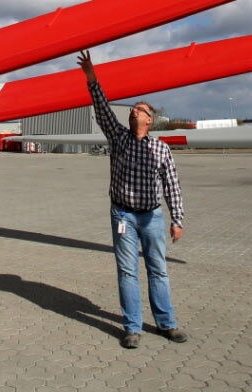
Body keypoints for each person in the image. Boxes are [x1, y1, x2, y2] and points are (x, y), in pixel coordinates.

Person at [77, 49, 188, 349]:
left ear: (150, 120)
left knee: (158, 269)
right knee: (127, 271)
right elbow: (101, 109)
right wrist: (92, 78)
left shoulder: (161, 149)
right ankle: (132, 328)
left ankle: (167, 324)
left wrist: (177, 221)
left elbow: (172, 185)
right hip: (123, 215)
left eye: (139, 109)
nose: (133, 111)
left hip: (152, 217)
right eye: (133, 109)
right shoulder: (119, 137)